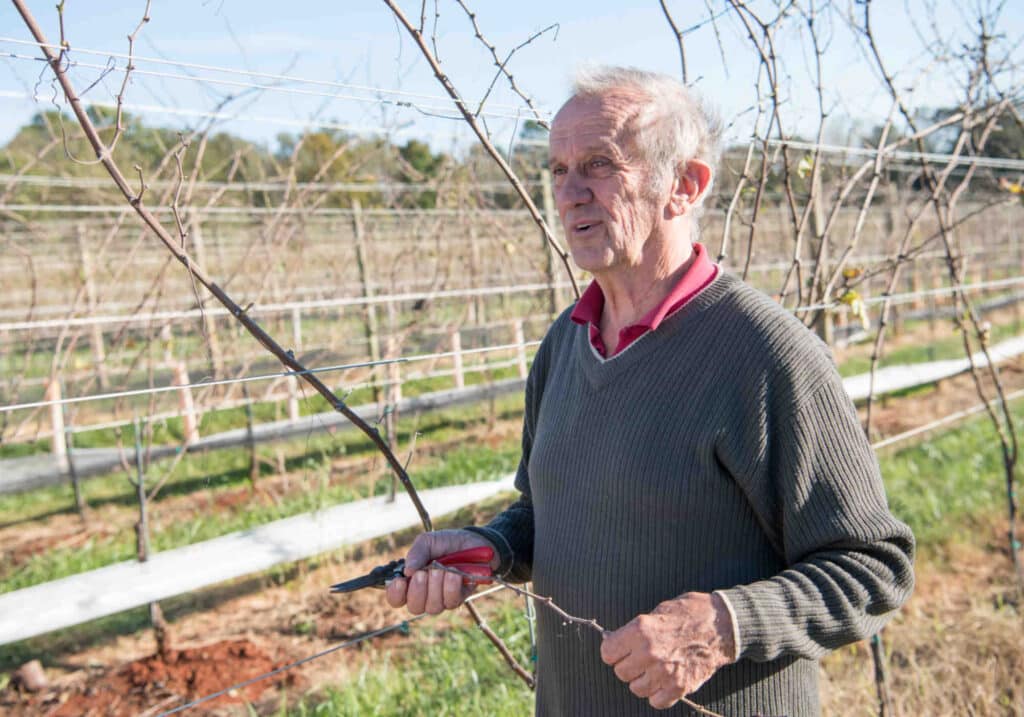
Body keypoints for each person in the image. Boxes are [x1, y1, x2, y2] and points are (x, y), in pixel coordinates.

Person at [385, 66, 915, 716]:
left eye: (600, 164)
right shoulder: (565, 343)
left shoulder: (763, 354)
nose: (570, 192)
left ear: (684, 186)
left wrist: (725, 622)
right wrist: (486, 549)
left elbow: (873, 565)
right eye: (557, 169)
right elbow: (547, 512)